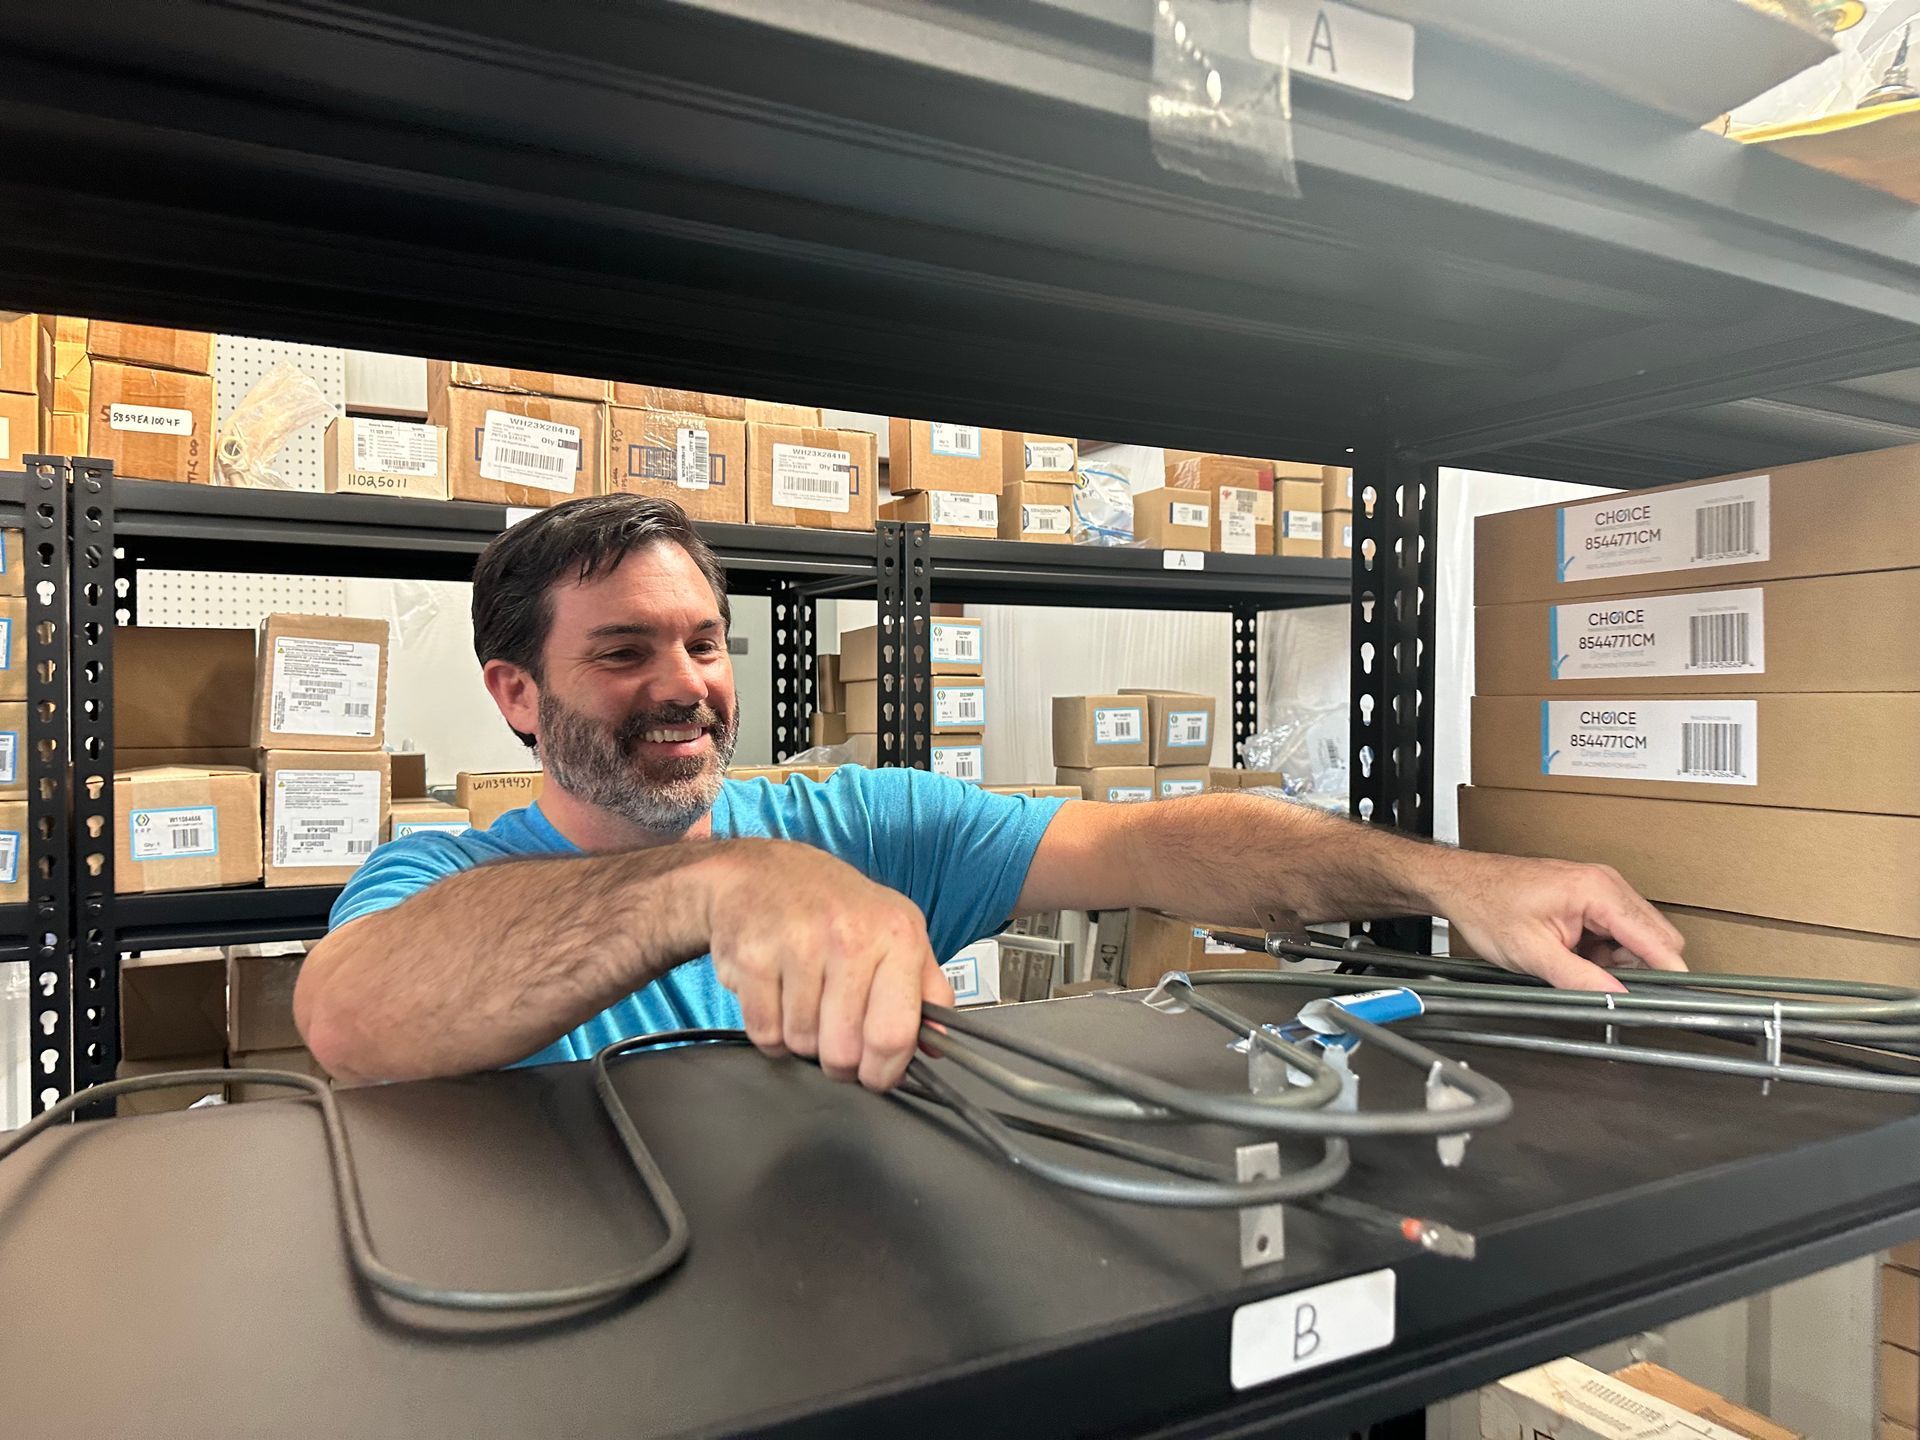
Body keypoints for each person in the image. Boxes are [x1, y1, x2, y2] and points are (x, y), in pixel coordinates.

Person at [296, 493, 1685, 1092]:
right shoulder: (443, 881)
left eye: (704, 642)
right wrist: (714, 885)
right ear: (516, 697)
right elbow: (349, 1013)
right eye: (622, 653)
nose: (686, 685)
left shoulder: (865, 828)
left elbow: (1168, 848)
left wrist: (1449, 880)